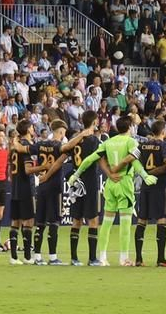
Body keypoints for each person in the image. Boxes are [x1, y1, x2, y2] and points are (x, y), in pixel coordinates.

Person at [69, 115, 159, 267]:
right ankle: (123, 258)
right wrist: (144, 175)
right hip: (124, 182)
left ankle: (102, 257)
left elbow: (90, 159)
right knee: (125, 223)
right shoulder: (131, 142)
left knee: (106, 222)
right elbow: (134, 161)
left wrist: (76, 174)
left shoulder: (108, 142)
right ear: (130, 127)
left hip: (110, 184)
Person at [62, 111, 105, 265]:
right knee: (93, 220)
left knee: (76, 220)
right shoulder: (94, 140)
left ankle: (74, 258)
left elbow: (64, 150)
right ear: (94, 122)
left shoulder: (75, 140)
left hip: (76, 183)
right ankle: (92, 258)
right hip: (90, 182)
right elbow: (100, 160)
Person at [134, 120, 166, 267]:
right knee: (162, 219)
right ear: (163, 132)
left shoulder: (143, 145)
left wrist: (145, 173)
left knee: (142, 220)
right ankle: (161, 259)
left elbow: (133, 159)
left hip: (145, 185)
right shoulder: (163, 145)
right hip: (159, 185)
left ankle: (138, 258)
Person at [31, 121, 70, 264]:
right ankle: (53, 257)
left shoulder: (41, 144)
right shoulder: (60, 147)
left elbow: (27, 150)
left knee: (40, 222)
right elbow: (59, 162)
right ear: (60, 132)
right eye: (64, 133)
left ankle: (37, 256)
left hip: (41, 186)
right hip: (55, 187)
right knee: (54, 222)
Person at [6, 120, 39, 264]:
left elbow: (9, 170)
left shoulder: (14, 147)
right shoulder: (26, 146)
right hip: (26, 186)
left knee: (15, 221)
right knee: (28, 221)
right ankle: (26, 256)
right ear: (27, 129)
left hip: (15, 187)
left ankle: (13, 257)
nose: (33, 129)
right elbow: (27, 169)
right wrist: (43, 168)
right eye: (32, 127)